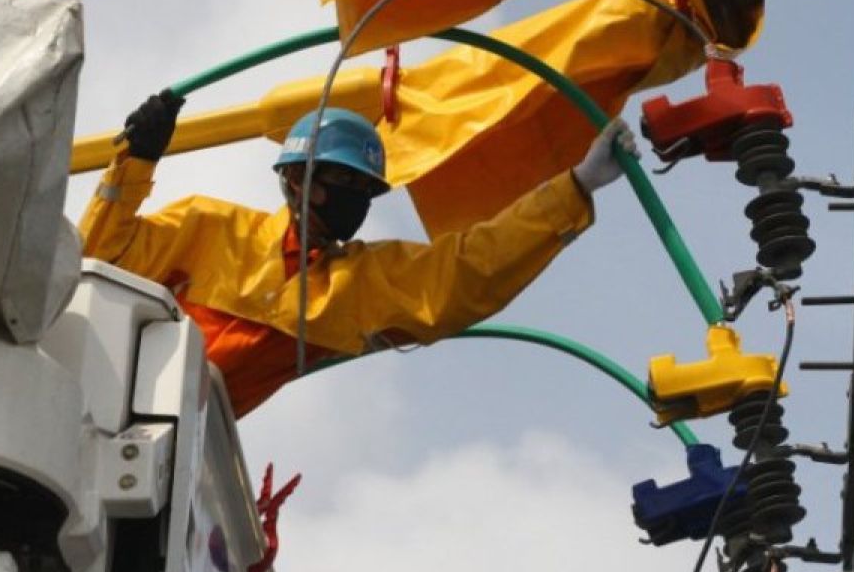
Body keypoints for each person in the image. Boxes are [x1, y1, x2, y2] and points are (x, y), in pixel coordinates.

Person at [80, 90, 637, 418]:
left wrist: (577, 187)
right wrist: (135, 163)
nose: (352, 199)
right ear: (296, 180)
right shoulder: (209, 230)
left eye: (362, 189)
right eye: (338, 181)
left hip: (172, 453)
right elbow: (96, 263)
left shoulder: (360, 287)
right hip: (89, 399)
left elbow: (469, 271)